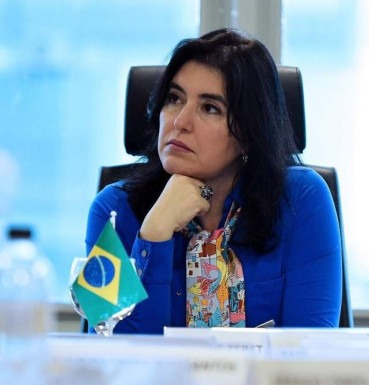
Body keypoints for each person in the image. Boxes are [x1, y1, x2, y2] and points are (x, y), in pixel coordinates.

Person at [85, 28, 342, 334]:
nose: (180, 121)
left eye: (210, 108)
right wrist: (153, 234)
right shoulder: (110, 210)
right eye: (174, 99)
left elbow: (312, 348)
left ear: (248, 132)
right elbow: (105, 347)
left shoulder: (302, 200)